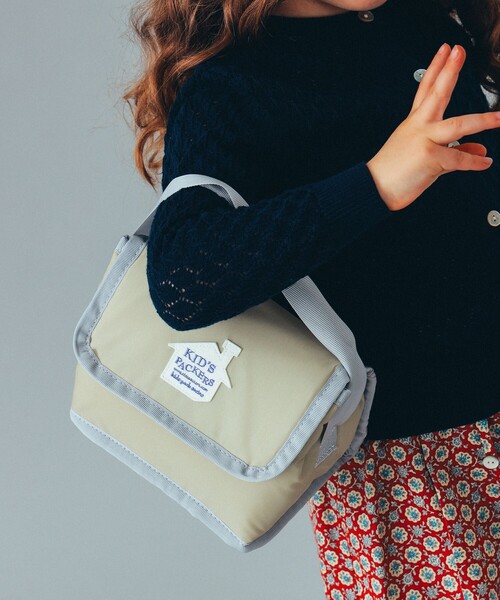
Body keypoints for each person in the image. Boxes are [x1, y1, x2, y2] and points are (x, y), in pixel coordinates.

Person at [122, 0, 500, 596]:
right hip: (410, 469)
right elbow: (183, 280)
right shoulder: (232, 81)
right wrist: (375, 184)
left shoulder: (422, 23)